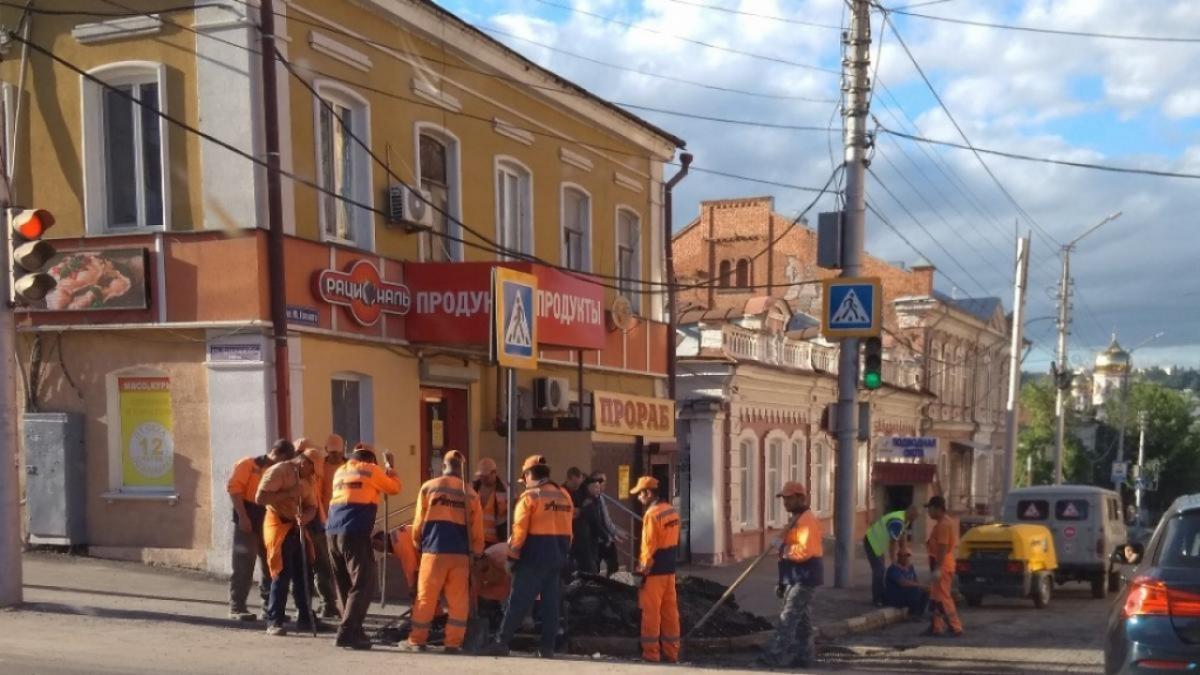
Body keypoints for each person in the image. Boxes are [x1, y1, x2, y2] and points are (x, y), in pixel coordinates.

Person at [483, 455, 574, 659]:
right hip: (557, 557)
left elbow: (519, 532)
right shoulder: (564, 495)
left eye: (524, 478)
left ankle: (501, 643)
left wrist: (512, 557)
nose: (524, 483)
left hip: (532, 558)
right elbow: (569, 532)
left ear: (529, 474)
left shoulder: (530, 497)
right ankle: (547, 648)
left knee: (517, 602)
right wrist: (563, 553)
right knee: (551, 605)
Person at [402, 450, 484, 654]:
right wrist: (476, 553)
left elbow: (419, 522)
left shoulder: (429, 488)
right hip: (460, 555)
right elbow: (477, 529)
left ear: (443, 466)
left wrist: (417, 543)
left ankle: (417, 640)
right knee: (458, 602)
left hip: (434, 551)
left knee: (426, 598)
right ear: (462, 468)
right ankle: (453, 644)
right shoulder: (470, 493)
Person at [326, 443, 402, 650]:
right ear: (371, 459)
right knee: (363, 582)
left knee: (344, 585)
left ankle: (355, 631)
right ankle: (347, 631)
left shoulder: (340, 471)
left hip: (332, 533)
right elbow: (394, 488)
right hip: (354, 532)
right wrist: (391, 468)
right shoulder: (371, 469)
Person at [254, 442, 325, 636]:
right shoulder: (279, 471)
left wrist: (307, 518)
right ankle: (274, 621)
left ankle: (305, 617)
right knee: (281, 573)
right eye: (312, 469)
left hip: (296, 526)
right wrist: (287, 493)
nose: (312, 474)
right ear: (304, 462)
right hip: (277, 524)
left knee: (304, 573)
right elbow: (260, 498)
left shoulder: (309, 479)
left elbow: (312, 506)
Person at [226, 439, 294, 621]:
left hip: (268, 520)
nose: (280, 463)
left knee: (270, 565)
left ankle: (269, 608)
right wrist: (243, 517)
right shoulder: (247, 465)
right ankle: (237, 607)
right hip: (248, 517)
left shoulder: (280, 472)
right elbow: (234, 490)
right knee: (243, 565)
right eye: (281, 458)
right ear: (275, 452)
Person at [759, 482, 823, 669]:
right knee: (802, 620)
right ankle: (804, 657)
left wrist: (783, 547)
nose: (785, 502)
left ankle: (772, 657)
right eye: (784, 498)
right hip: (794, 576)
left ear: (800, 498)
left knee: (788, 618)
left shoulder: (806, 521)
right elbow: (789, 549)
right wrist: (783, 581)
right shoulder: (796, 519)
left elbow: (804, 552)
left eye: (789, 498)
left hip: (805, 575)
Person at [630, 476, 681, 663]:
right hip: (669, 570)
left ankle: (651, 654)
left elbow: (648, 548)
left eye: (640, 494)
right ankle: (671, 652)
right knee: (670, 612)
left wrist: (641, 573)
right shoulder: (671, 511)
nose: (638, 498)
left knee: (650, 613)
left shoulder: (652, 515)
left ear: (648, 493)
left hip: (654, 573)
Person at [297, 437, 340, 620]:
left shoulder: (314, 474)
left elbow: (319, 499)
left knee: (322, 566)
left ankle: (327, 605)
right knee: (307, 569)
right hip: (302, 525)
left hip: (318, 522)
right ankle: (305, 611)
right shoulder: (293, 478)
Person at [864, 505, 919, 606]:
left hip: (877, 543)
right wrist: (893, 560)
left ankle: (881, 595)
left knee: (880, 569)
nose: (913, 521)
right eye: (913, 518)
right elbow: (893, 542)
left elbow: (902, 538)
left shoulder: (904, 519)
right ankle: (878, 599)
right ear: (910, 514)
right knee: (879, 570)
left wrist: (905, 554)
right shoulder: (897, 521)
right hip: (872, 541)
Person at [925, 495, 963, 637]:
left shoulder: (943, 525)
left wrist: (938, 568)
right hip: (940, 563)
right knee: (935, 597)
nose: (928, 512)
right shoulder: (943, 523)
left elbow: (942, 547)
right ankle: (936, 627)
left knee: (943, 598)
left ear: (937, 509)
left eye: (930, 509)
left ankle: (955, 627)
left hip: (942, 565)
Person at [591, 472, 626, 577]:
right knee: (608, 566)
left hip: (602, 538)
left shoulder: (600, 497)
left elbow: (606, 520)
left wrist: (614, 533)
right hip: (599, 539)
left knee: (610, 566)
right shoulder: (595, 499)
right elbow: (605, 520)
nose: (605, 484)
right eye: (602, 481)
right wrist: (614, 533)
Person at [571, 475, 606, 575]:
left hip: (588, 540)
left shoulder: (593, 499)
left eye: (599, 487)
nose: (598, 490)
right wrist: (605, 536)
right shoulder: (588, 501)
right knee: (590, 570)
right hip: (584, 540)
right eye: (595, 487)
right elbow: (595, 521)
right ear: (588, 487)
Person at [472, 457, 508, 546]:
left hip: (497, 541)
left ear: (494, 473)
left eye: (486, 477)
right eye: (481, 476)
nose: (483, 479)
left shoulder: (506, 490)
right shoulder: (472, 488)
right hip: (476, 540)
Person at [884, 549, 929, 617]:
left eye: (908, 556)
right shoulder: (893, 569)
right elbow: (902, 583)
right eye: (904, 556)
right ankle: (912, 613)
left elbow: (916, 580)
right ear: (899, 557)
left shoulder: (910, 568)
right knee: (915, 589)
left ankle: (919, 613)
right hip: (896, 596)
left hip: (906, 594)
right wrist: (919, 585)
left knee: (926, 590)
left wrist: (923, 587)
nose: (907, 558)